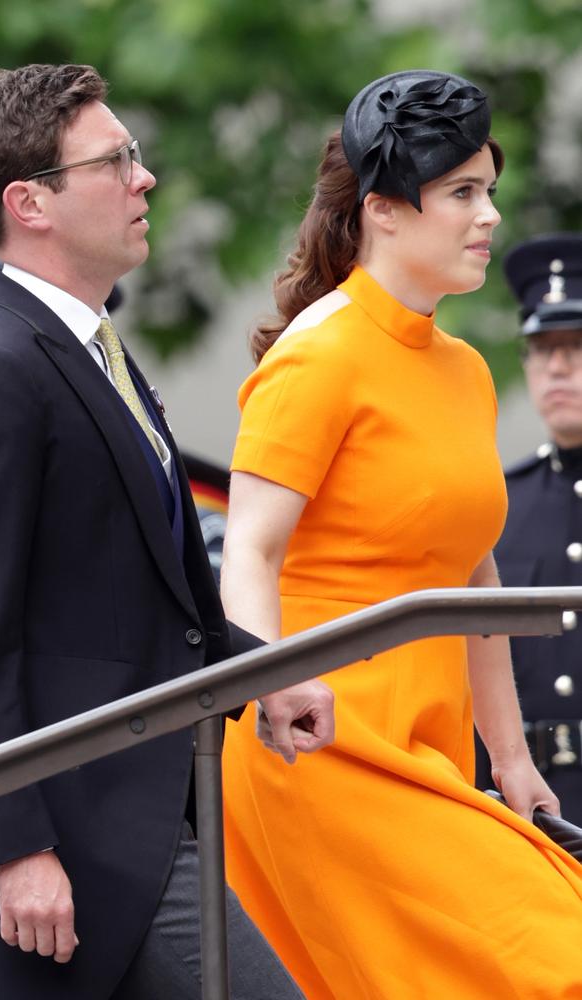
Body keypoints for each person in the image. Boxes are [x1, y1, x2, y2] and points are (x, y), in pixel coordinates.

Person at [0, 63, 334, 1000]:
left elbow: (133, 601)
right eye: (116, 160)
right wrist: (15, 846)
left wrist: (262, 678)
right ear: (30, 202)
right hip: (70, 841)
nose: (145, 178)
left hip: (139, 821)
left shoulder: (87, 347)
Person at [220, 70, 582, 999]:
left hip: (431, 750)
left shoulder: (463, 369)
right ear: (383, 210)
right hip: (316, 746)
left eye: (490, 189)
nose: (489, 214)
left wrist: (511, 759)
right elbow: (248, 555)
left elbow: (474, 574)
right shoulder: (318, 354)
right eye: (462, 192)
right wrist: (274, 683)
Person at [475, 233, 582, 825]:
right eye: (543, 347)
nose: (559, 365)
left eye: (576, 345)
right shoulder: (496, 502)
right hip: (530, 807)